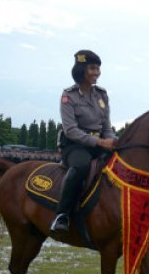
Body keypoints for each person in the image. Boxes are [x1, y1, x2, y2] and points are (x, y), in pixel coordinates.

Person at [50, 50, 117, 233]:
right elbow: (70, 130)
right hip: (74, 145)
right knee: (81, 166)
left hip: (98, 143)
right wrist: (101, 143)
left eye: (98, 68)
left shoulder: (102, 95)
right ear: (82, 70)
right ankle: (62, 215)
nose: (97, 72)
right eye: (93, 68)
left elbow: (107, 127)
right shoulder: (68, 95)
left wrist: (112, 142)